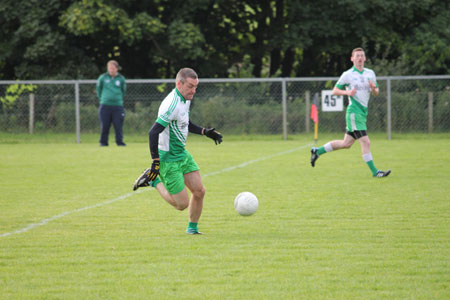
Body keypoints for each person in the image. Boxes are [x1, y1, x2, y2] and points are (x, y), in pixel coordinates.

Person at [132, 68, 223, 234]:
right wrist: (156, 162)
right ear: (179, 84)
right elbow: (153, 132)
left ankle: (192, 229)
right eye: (190, 86)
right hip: (168, 159)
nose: (193, 91)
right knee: (181, 204)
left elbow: (184, 122)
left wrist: (205, 132)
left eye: (195, 86)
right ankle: (153, 181)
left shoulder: (185, 99)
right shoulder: (171, 104)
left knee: (199, 191)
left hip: (182, 154)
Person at [310, 47, 391, 178]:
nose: (360, 58)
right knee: (366, 142)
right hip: (354, 112)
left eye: (362, 55)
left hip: (363, 112)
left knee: (346, 144)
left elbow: (376, 93)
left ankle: (317, 151)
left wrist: (373, 88)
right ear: (352, 59)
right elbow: (335, 90)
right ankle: (375, 172)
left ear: (365, 58)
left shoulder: (370, 73)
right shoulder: (348, 74)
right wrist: (347, 92)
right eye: (357, 56)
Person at [96, 60, 127, 146]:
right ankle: (103, 142)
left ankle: (119, 142)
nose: (111, 70)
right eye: (110, 68)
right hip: (105, 105)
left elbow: (123, 91)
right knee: (105, 125)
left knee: (118, 125)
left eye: (113, 68)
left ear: (117, 69)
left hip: (118, 106)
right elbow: (99, 90)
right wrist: (103, 99)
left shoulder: (121, 79)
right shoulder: (102, 78)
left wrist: (117, 99)